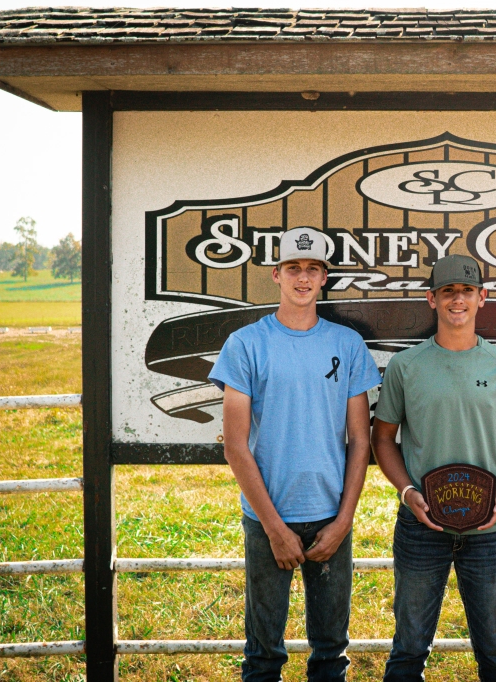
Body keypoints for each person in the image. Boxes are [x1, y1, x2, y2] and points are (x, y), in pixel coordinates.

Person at [208, 226, 383, 682]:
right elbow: (234, 445)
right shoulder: (246, 345)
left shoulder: (346, 344)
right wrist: (273, 528)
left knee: (331, 654)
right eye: (293, 268)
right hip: (269, 516)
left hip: (329, 515)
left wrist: (343, 521)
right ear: (276, 275)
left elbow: (360, 441)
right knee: (263, 654)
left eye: (312, 269)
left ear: (325, 277)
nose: (302, 278)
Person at [371, 254, 496, 682]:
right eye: (447, 291)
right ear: (431, 299)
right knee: (407, 652)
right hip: (421, 527)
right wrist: (408, 492)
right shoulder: (406, 367)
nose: (457, 299)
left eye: (466, 291)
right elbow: (382, 439)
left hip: (489, 530)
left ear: (482, 298)